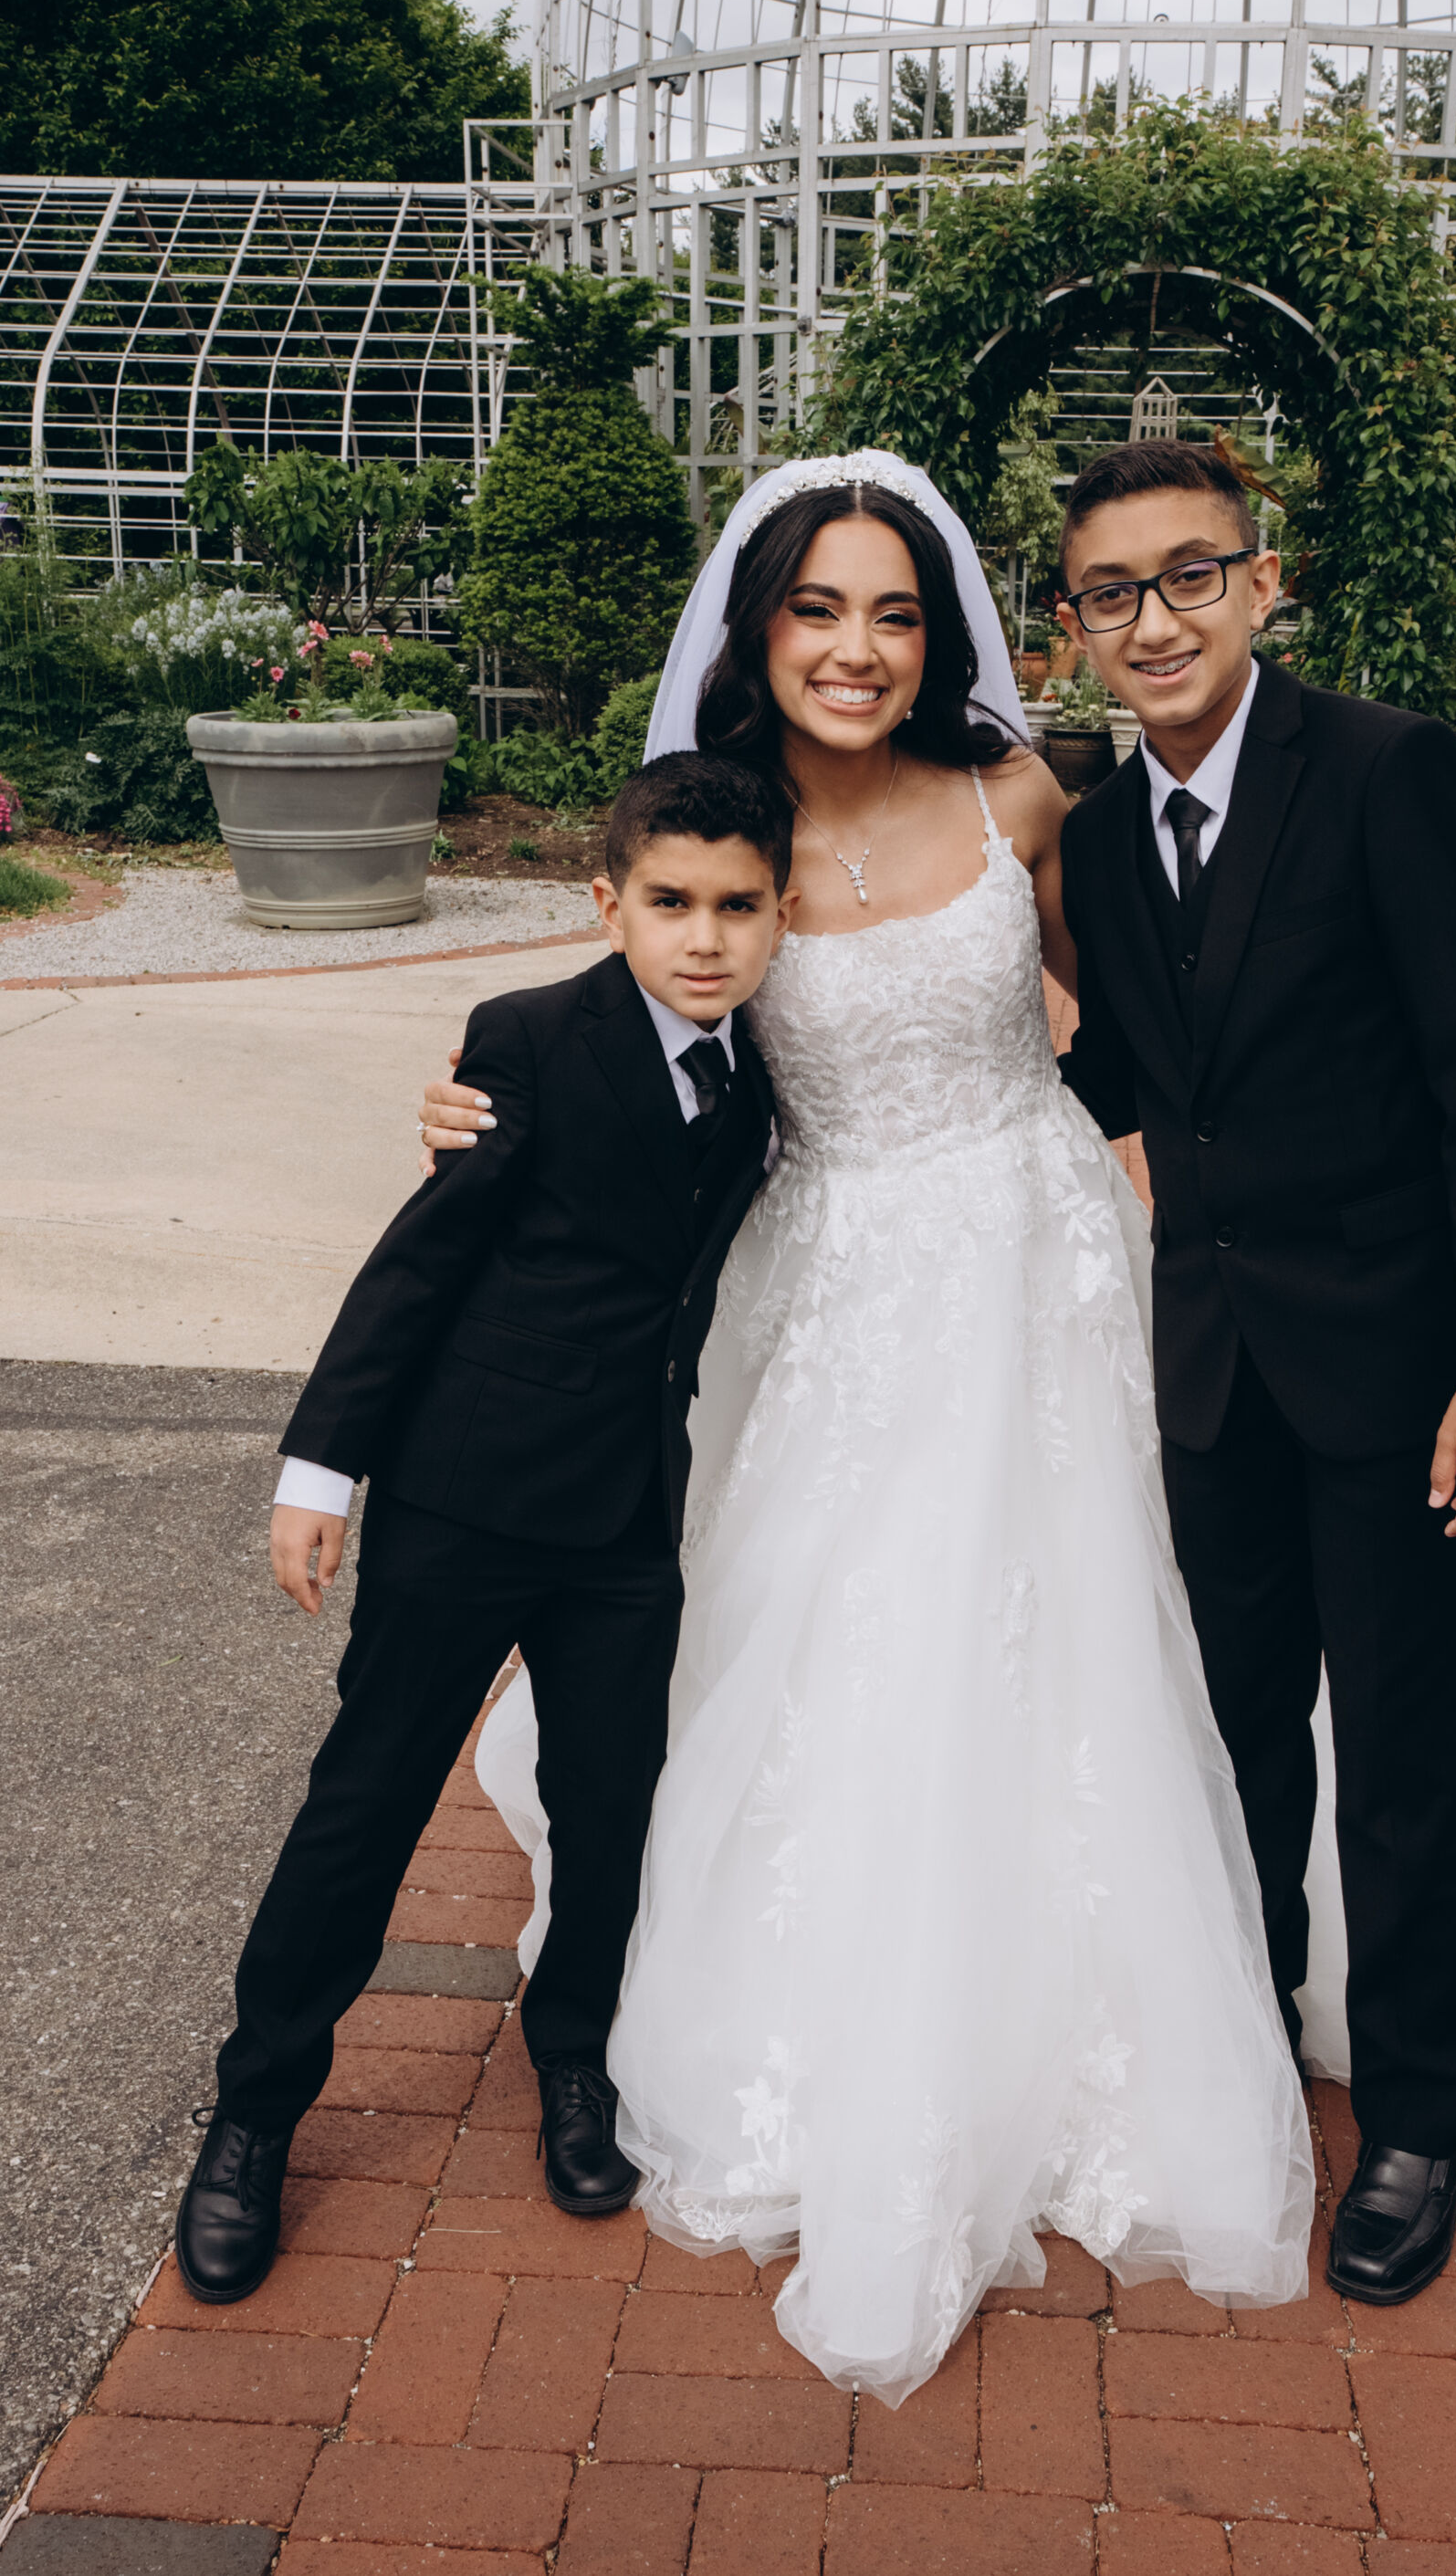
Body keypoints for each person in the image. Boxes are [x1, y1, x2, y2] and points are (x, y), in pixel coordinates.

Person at [418, 452, 1315, 2405]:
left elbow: (1150, 1027)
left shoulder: (1020, 798)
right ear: (759, 630)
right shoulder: (728, 828)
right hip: (831, 1290)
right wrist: (485, 1099)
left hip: (1041, 1268)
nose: (857, 647)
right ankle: (833, 2019)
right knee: (840, 1641)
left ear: (944, 633)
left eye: (896, 612)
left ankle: (1092, 2006)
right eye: (818, 609)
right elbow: (638, 1004)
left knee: (1077, 1630)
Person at [1053, 439, 1456, 2304]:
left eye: (1191, 574)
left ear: (1262, 583)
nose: (1156, 620)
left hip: (1390, 1368)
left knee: (1404, 1750)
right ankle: (1252, 2046)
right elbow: (1125, 1074)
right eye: (1113, 592)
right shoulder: (1097, 836)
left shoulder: (1381, 770)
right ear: (1075, 626)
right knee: (1237, 1736)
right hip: (1207, 1367)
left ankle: (1422, 2109)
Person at [173, 753, 791, 2304]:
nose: (703, 937)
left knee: (611, 1808)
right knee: (366, 1801)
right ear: (607, 902)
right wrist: (322, 1469)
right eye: (670, 902)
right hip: (466, 1493)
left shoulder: (763, 1075)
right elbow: (419, 1263)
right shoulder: (522, 1039)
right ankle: (255, 2112)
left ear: (780, 915)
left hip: (629, 1519)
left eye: (737, 907)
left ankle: (573, 2059)